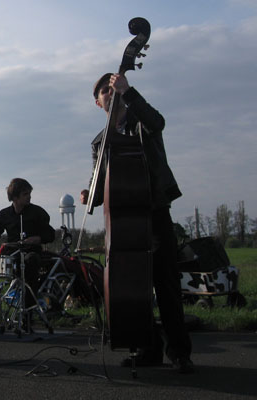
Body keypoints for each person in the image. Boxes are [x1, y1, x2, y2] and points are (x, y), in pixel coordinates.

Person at [80, 73, 193, 373]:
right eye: (103, 90)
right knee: (131, 289)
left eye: (111, 86)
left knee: (166, 286)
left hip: (153, 213)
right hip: (122, 223)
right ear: (97, 102)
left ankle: (180, 352)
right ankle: (148, 350)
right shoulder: (99, 142)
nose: (109, 91)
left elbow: (158, 123)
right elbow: (99, 187)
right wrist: (88, 193)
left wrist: (130, 93)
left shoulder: (140, 121)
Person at [0, 178, 56, 325]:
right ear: (15, 197)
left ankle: (28, 311)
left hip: (32, 253)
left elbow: (50, 234)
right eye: (25, 194)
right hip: (12, 254)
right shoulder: (4, 214)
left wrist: (38, 238)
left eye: (29, 193)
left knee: (30, 261)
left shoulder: (38, 212)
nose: (29, 196)